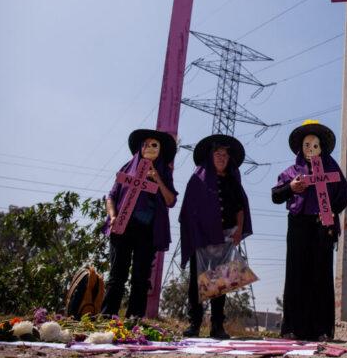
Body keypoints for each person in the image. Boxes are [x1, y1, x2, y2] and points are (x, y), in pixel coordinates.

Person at [272, 120, 347, 341]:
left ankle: (322, 329)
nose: (311, 149)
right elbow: (275, 195)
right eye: (307, 145)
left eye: (315, 145)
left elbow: (344, 194)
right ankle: (292, 329)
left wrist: (333, 211)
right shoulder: (292, 172)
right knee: (295, 274)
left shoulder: (332, 169)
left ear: (321, 148)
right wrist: (291, 188)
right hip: (298, 225)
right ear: (300, 148)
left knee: (321, 275)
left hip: (323, 226)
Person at [179, 134, 253, 339]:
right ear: (210, 157)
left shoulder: (232, 181)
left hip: (225, 237)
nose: (222, 158)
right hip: (201, 237)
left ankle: (217, 326)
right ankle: (194, 323)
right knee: (198, 280)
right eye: (218, 154)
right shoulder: (197, 179)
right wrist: (194, 233)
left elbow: (240, 208)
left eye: (225, 155)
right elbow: (188, 210)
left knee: (221, 281)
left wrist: (239, 230)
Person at [102, 128, 178, 317]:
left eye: (154, 145)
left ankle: (134, 320)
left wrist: (157, 179)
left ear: (160, 150)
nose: (149, 147)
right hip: (122, 226)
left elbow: (170, 200)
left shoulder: (164, 172)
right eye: (145, 144)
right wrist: (113, 216)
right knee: (117, 274)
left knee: (141, 277)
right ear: (139, 148)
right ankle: (107, 316)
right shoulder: (127, 168)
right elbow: (111, 196)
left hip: (148, 230)